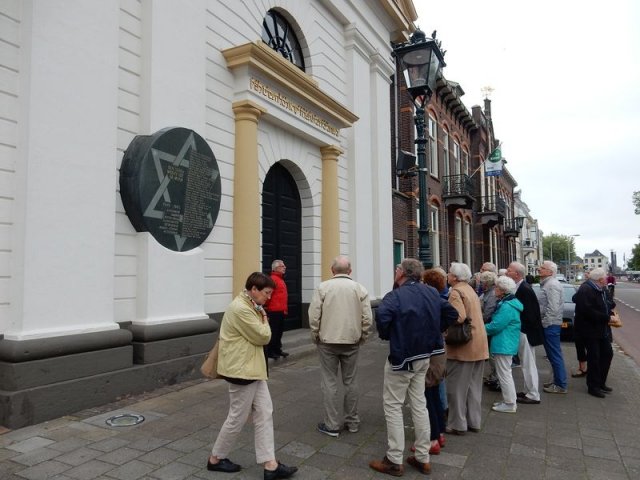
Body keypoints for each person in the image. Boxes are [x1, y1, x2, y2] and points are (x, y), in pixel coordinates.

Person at [370, 258, 458, 476]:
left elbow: (382, 316)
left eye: (396, 269)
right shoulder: (431, 293)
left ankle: (394, 458)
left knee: (393, 405)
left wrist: (389, 334)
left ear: (401, 273)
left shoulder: (396, 295)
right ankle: (422, 456)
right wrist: (435, 331)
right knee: (419, 404)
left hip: (403, 358)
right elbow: (452, 314)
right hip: (426, 356)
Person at [208, 272, 297, 480]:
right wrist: (265, 317)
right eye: (266, 293)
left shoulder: (250, 305)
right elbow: (264, 336)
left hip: (252, 369)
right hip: (242, 370)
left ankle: (270, 465)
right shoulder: (241, 308)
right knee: (237, 417)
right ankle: (215, 458)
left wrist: (261, 312)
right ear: (254, 290)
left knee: (265, 411)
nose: (269, 297)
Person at [308, 255, 372, 437]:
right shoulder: (360, 289)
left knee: (329, 382)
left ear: (332, 270)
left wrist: (315, 335)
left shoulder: (323, 288)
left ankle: (332, 424)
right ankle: (352, 422)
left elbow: (314, 316)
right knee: (350, 381)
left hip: (327, 341)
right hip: (351, 341)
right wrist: (362, 336)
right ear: (350, 271)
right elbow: (367, 318)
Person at [444, 262, 489, 435]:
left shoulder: (456, 292)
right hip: (479, 344)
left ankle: (457, 424)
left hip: (464, 346)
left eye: (449, 273)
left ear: (455, 277)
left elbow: (458, 316)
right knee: (474, 387)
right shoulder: (470, 289)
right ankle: (474, 421)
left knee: (456, 388)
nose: (447, 275)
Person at [573, 267, 615, 398]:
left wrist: (610, 310)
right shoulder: (586, 289)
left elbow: (608, 303)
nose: (607, 279)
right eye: (606, 278)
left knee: (607, 354)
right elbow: (587, 310)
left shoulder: (601, 288)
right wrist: (607, 317)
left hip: (602, 330)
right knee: (594, 358)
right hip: (590, 330)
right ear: (601, 279)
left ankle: (601, 382)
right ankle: (593, 386)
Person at [506, 261, 544, 405]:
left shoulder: (524, 289)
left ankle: (533, 394)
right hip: (524, 331)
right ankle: (528, 390)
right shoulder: (520, 287)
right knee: (525, 363)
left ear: (516, 274)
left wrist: (521, 329)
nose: (507, 272)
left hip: (526, 332)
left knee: (528, 363)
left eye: (509, 270)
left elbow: (530, 314)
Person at [421, 268, 450, 453]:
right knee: (434, 394)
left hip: (432, 353)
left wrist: (436, 329)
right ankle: (439, 432)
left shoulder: (433, 301)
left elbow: (454, 314)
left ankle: (431, 439)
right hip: (439, 351)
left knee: (427, 396)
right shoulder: (439, 300)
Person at [485, 276, 522, 413]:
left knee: (504, 374)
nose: (495, 289)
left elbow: (496, 326)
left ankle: (510, 403)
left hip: (504, 343)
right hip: (506, 342)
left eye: (497, 287)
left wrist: (479, 328)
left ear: (502, 290)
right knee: (505, 373)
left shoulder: (506, 306)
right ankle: (509, 401)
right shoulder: (509, 303)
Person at [537, 261, 568, 394]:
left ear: (550, 272)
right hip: (551, 324)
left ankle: (560, 384)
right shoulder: (549, 284)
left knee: (554, 355)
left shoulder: (551, 285)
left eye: (543, 268)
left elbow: (553, 308)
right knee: (553, 355)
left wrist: (545, 323)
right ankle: (557, 381)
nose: (539, 269)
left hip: (551, 325)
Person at [478, 271, 500, 390]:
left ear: (486, 283)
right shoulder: (488, 293)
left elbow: (488, 313)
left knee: (493, 356)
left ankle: (496, 378)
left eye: (482, 282)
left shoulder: (491, 295)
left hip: (488, 327)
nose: (480, 284)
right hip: (486, 325)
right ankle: (494, 376)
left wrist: (478, 319)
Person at [264, 260, 289, 359]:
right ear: (275, 268)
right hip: (273, 311)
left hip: (281, 310)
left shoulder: (280, 279)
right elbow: (267, 294)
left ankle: (278, 350)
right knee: (273, 332)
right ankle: (270, 351)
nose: (285, 267)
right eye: (282, 266)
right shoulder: (272, 280)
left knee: (279, 332)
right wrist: (266, 308)